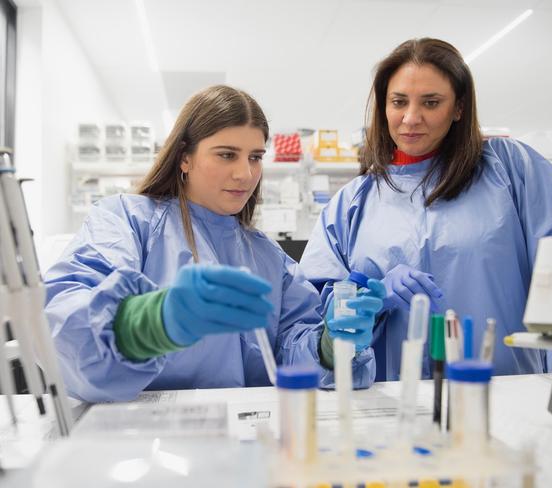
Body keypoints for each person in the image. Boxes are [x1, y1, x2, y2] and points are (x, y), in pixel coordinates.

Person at [44, 85, 384, 403]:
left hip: (246, 439)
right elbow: (62, 322)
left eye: (254, 157)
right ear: (184, 157)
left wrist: (329, 345)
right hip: (146, 440)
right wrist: (153, 321)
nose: (245, 174)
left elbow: (292, 346)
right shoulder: (128, 220)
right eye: (226, 155)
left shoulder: (267, 256)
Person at [300, 38, 552, 380]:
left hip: (502, 393)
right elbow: (316, 328)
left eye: (431, 103)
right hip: (393, 405)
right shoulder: (350, 204)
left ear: (458, 108)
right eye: (398, 102)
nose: (411, 118)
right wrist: (370, 304)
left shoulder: (510, 170)